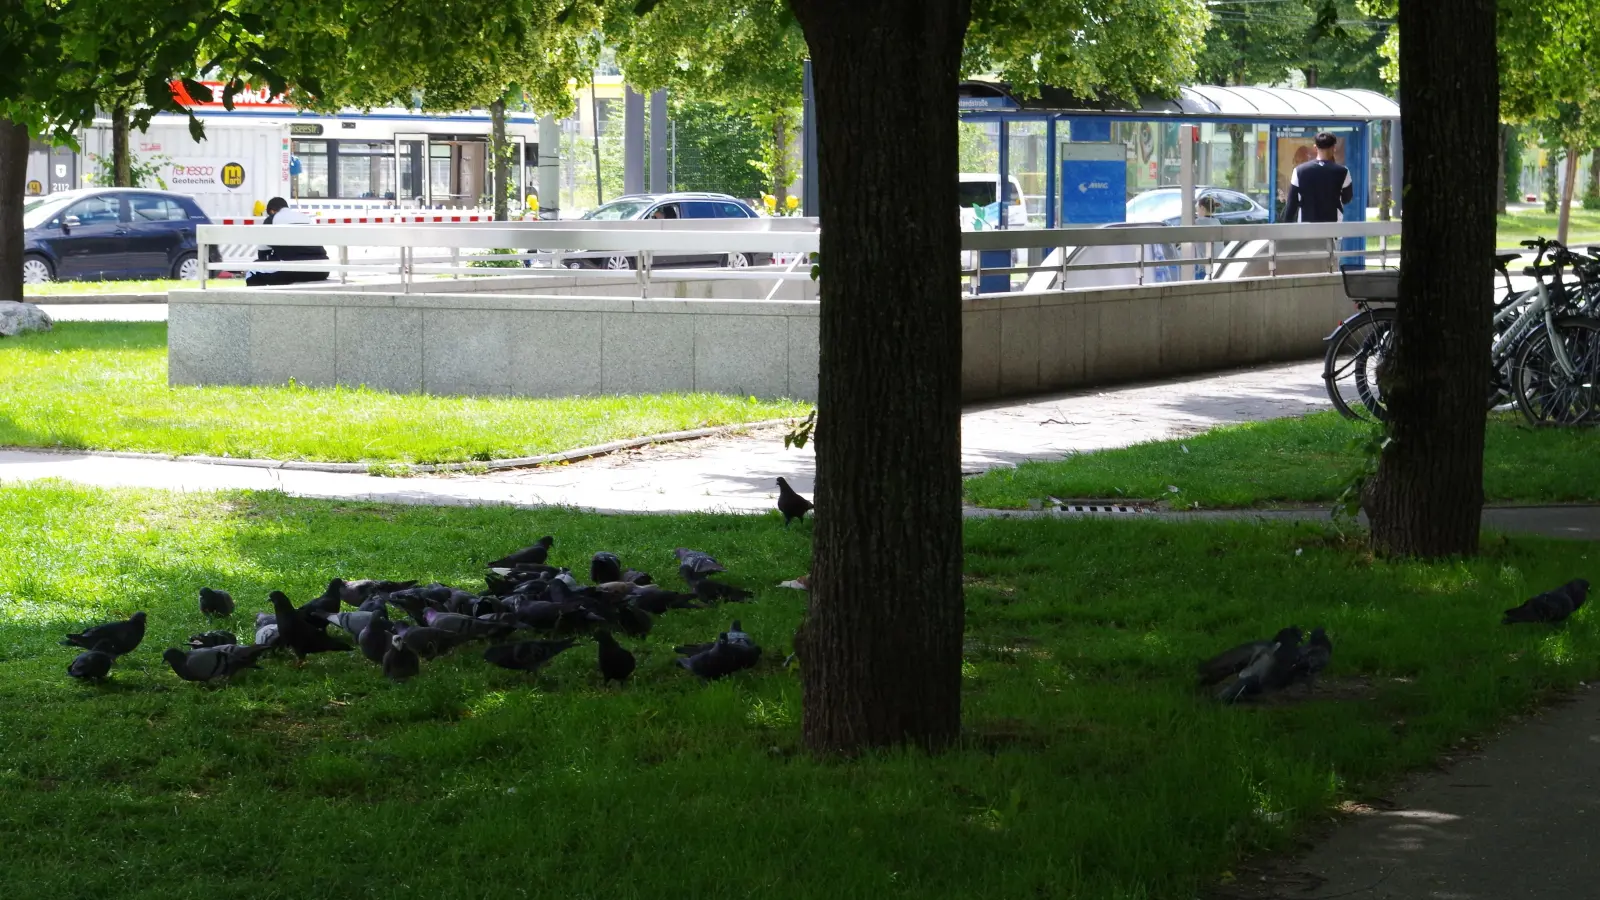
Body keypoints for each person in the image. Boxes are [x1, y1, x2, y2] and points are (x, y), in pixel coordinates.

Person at [245, 197, 330, 286]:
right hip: (322, 270)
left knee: (253, 271)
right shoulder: (306, 218)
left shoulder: (272, 219)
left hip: (294, 271)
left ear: (272, 211)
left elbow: (263, 254)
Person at [1282, 132, 1353, 223]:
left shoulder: (1299, 171)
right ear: (1334, 148)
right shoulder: (1343, 171)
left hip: (1306, 227)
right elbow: (1347, 198)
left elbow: (1292, 204)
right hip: (1333, 226)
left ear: (1315, 148)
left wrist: (1287, 226)